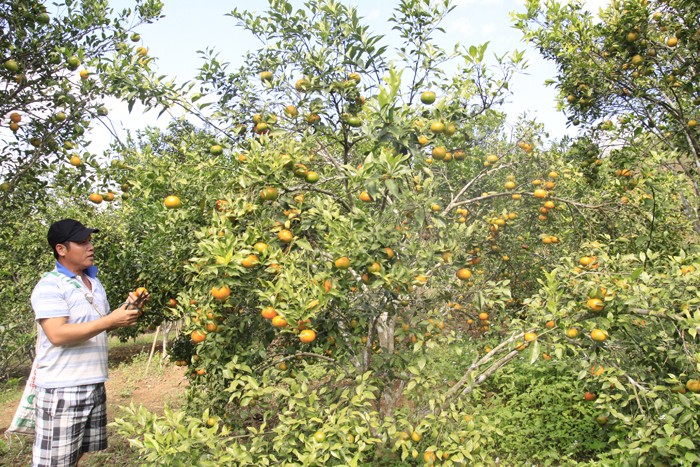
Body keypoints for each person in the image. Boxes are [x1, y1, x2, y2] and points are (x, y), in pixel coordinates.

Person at [30, 219, 147, 467]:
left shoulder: (93, 282)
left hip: (93, 383)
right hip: (62, 388)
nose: (90, 247)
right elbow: (57, 334)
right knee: (54, 461)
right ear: (61, 249)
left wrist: (128, 309)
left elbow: (99, 323)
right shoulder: (50, 285)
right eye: (82, 242)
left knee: (75, 456)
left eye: (90, 241)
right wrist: (109, 321)